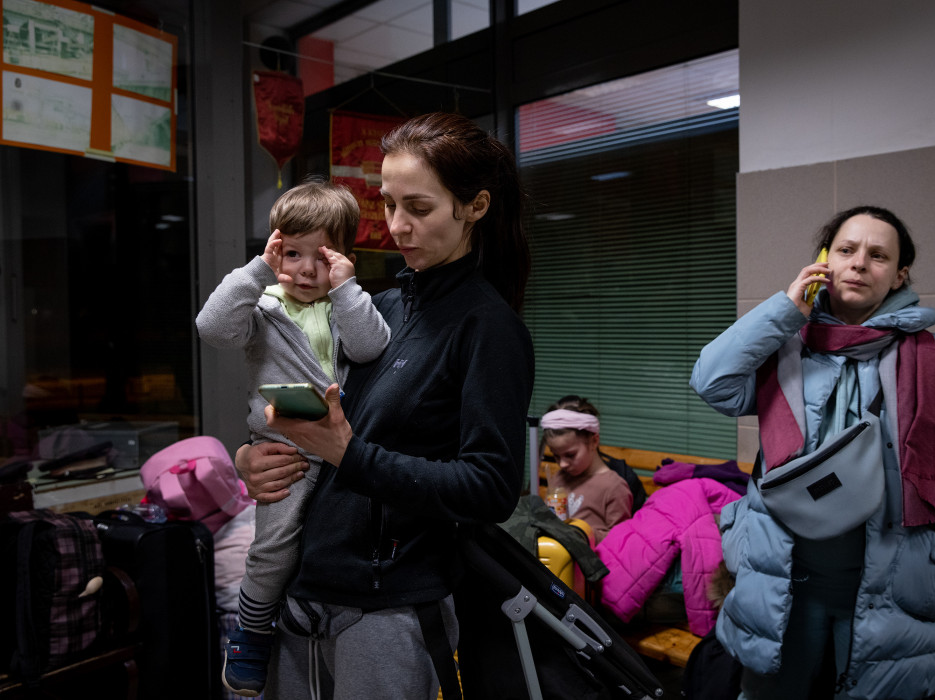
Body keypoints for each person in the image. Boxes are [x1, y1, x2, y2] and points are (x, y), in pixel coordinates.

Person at [232, 112, 534, 700]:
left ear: (474, 206)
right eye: (389, 204)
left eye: (418, 208)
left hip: (389, 606)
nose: (397, 226)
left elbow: (491, 488)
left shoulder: (489, 328)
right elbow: (316, 410)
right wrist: (250, 457)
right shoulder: (377, 308)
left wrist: (351, 455)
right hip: (303, 591)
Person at [689, 205, 935, 700]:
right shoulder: (784, 344)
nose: (860, 263)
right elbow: (711, 384)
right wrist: (783, 311)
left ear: (899, 274)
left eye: (878, 255)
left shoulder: (934, 357)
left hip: (891, 585)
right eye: (846, 250)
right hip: (782, 581)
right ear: (825, 260)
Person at [196, 178, 391, 697]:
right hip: (285, 450)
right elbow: (212, 328)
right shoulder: (262, 307)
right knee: (275, 546)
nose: (305, 270)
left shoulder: (347, 304)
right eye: (292, 253)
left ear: (344, 258)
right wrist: (259, 269)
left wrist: (348, 289)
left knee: (329, 545)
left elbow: (372, 349)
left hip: (344, 447)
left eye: (321, 257)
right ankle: (252, 629)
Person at [541, 396, 634, 543]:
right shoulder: (559, 478)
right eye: (556, 456)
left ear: (594, 441)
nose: (562, 464)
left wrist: (582, 533)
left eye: (570, 455)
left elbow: (620, 542)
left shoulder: (614, 487)